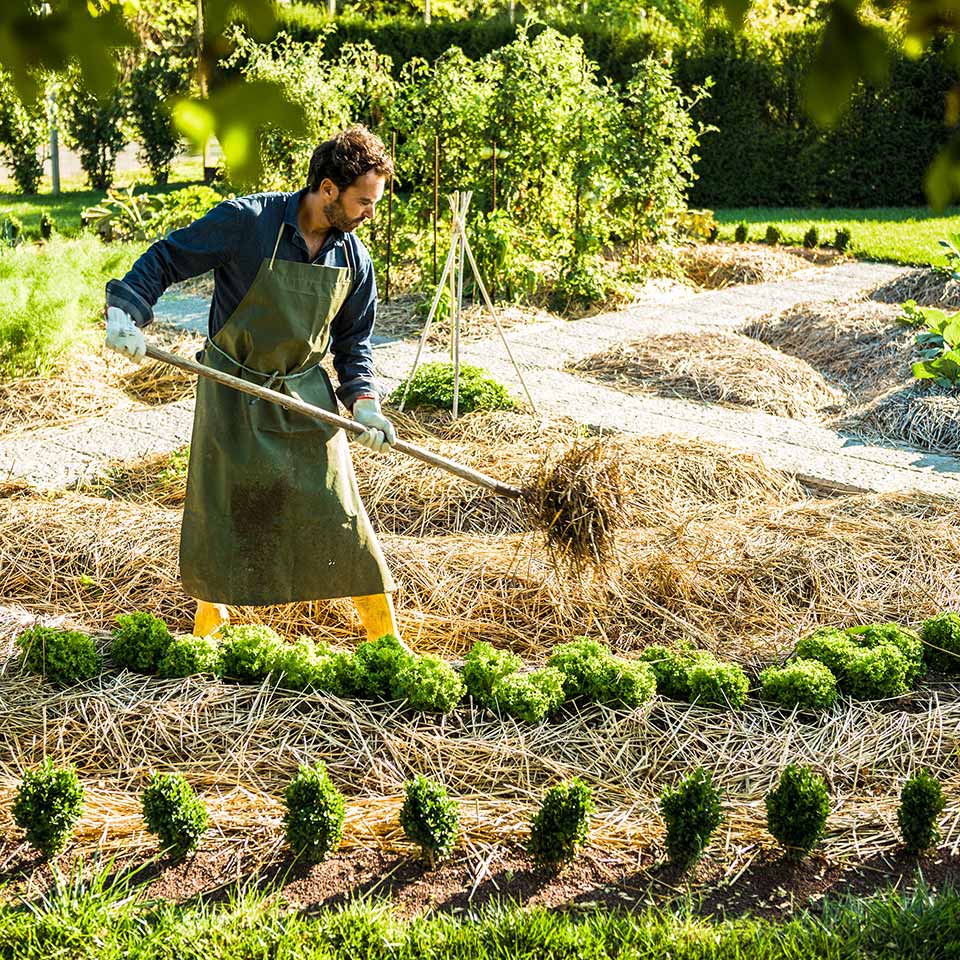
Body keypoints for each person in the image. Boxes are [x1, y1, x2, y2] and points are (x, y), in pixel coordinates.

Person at [104, 124, 403, 643]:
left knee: (341, 512)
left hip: (304, 395)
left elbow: (355, 341)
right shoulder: (249, 222)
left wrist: (366, 403)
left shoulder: (352, 256)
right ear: (328, 188)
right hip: (232, 388)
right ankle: (210, 623)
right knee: (226, 512)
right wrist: (125, 312)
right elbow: (168, 257)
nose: (369, 214)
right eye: (363, 201)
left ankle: (385, 638)